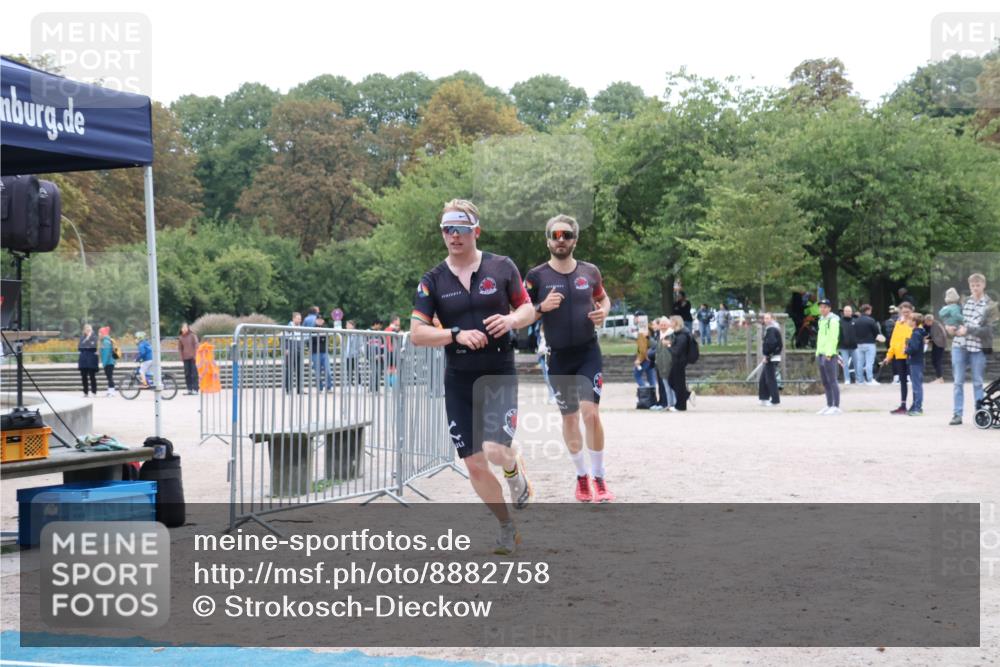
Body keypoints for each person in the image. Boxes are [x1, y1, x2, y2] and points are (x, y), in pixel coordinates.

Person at [410, 199, 536, 555]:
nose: (453, 236)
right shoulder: (432, 280)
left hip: (498, 372)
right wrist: (453, 334)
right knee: (474, 464)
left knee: (497, 451)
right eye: (447, 229)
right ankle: (505, 526)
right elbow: (417, 334)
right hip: (459, 378)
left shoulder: (502, 267)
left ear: (475, 232)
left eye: (460, 229)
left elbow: (528, 307)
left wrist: (512, 320)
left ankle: (514, 470)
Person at [525, 214, 614, 504]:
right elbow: (522, 313)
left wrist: (604, 312)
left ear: (575, 239)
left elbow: (603, 298)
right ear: (547, 239)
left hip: (588, 352)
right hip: (559, 356)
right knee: (570, 417)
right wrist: (541, 306)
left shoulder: (590, 272)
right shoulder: (536, 276)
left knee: (591, 414)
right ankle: (581, 478)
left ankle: (599, 477)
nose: (560, 240)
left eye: (566, 235)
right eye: (555, 235)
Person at [948, 273, 992, 426]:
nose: (975, 288)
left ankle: (980, 414)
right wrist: (951, 328)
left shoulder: (990, 306)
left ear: (983, 285)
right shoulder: (964, 302)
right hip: (959, 346)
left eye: (978, 285)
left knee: (978, 383)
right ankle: (957, 415)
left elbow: (988, 330)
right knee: (957, 382)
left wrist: (969, 330)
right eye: (972, 285)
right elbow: (957, 320)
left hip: (977, 348)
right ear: (969, 286)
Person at [881, 302, 914, 415]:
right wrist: (888, 356)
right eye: (903, 312)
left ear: (912, 311)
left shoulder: (915, 323)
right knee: (903, 382)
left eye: (907, 312)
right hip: (899, 356)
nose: (905, 314)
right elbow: (893, 342)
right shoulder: (898, 323)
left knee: (914, 381)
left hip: (911, 356)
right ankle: (903, 405)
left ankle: (916, 405)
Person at [815, 299, 841, 415]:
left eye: (825, 307)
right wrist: (818, 352)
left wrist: (829, 353)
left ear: (829, 308)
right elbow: (820, 338)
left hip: (829, 354)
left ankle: (836, 406)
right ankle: (829, 404)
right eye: (821, 307)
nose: (822, 309)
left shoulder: (833, 321)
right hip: (820, 353)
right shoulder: (821, 320)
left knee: (832, 380)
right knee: (825, 381)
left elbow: (833, 338)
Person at [668, 315, 694, 411]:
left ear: (676, 323)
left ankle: (680, 406)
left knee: (679, 384)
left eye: (671, 322)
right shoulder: (676, 334)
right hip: (675, 361)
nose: (670, 324)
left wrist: (668, 345)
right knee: (672, 382)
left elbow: (677, 351)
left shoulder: (683, 335)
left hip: (679, 362)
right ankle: (686, 395)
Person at [651, 317, 676, 411]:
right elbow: (657, 349)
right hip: (661, 363)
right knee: (666, 385)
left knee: (671, 385)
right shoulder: (659, 335)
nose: (662, 326)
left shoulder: (671, 334)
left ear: (668, 325)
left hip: (669, 363)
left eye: (664, 324)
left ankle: (674, 404)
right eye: (661, 324)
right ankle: (669, 404)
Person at [905, 312, 926, 416]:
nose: (908, 321)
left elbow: (913, 348)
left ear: (914, 322)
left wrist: (906, 349)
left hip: (915, 362)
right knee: (916, 385)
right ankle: (915, 406)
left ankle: (917, 408)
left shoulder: (915, 334)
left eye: (909, 319)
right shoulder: (919, 332)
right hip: (917, 362)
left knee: (917, 386)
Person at [759, 313, 783, 406]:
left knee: (770, 379)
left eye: (768, 318)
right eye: (765, 318)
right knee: (763, 379)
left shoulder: (772, 329)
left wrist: (767, 356)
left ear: (772, 319)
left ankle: (775, 400)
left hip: (772, 358)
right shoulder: (769, 329)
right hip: (770, 357)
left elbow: (773, 344)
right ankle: (764, 398)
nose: (766, 320)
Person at [855, 305, 880, 385]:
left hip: (859, 344)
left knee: (860, 363)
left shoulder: (856, 320)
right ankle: (870, 379)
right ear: (867, 310)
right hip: (870, 343)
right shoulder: (871, 320)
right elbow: (876, 332)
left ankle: (860, 380)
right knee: (869, 362)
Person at [838, 305, 861, 384]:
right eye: (846, 311)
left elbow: (859, 333)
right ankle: (847, 379)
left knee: (857, 363)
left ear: (851, 312)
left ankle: (858, 379)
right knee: (845, 364)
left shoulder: (855, 321)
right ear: (844, 312)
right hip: (844, 347)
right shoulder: (840, 321)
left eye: (849, 311)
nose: (847, 312)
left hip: (854, 346)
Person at [310, 315, 333, 391]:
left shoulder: (325, 329)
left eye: (321, 319)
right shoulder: (312, 329)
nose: (320, 321)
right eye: (318, 319)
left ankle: (329, 386)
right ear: (316, 320)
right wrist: (321, 338)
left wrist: (319, 338)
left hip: (324, 352)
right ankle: (320, 387)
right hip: (315, 353)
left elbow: (325, 339)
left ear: (323, 321)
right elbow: (312, 340)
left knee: (328, 371)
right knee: (317, 372)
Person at [283, 312, 304, 395]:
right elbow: (285, 338)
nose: (300, 320)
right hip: (291, 349)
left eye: (300, 318)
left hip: (298, 349)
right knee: (290, 370)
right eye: (298, 318)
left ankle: (299, 389)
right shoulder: (289, 327)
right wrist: (286, 348)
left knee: (299, 370)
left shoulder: (300, 327)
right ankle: (288, 389)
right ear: (293, 319)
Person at [924, 314, 947, 383]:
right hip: (937, 345)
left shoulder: (935, 325)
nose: (926, 324)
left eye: (927, 322)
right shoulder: (935, 324)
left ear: (930, 320)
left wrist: (929, 340)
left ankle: (939, 378)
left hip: (939, 345)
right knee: (935, 361)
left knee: (937, 361)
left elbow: (937, 336)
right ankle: (939, 377)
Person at [178, 322, 200, 395]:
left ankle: (195, 389)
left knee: (194, 373)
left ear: (188, 328)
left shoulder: (193, 335)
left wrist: (195, 355)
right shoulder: (180, 337)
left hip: (193, 357)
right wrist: (181, 357)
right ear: (181, 329)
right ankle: (189, 389)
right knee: (187, 374)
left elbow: (196, 345)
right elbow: (180, 348)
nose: (184, 329)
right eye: (183, 327)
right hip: (185, 358)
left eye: (185, 327)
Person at [77, 324, 99, 397]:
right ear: (84, 330)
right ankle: (85, 392)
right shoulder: (82, 337)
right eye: (86, 330)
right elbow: (80, 347)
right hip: (83, 360)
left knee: (92, 376)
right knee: (84, 377)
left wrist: (88, 341)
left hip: (91, 360)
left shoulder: (94, 337)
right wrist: (87, 342)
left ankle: (94, 391)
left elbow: (94, 347)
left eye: (89, 330)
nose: (88, 331)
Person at [633, 323, 655, 388]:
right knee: (651, 377)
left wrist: (639, 359)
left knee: (637, 375)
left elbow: (642, 347)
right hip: (651, 356)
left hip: (645, 357)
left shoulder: (642, 330)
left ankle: (645, 390)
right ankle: (652, 393)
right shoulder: (648, 329)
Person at [98, 325, 117, 397]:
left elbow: (106, 354)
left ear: (103, 334)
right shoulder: (107, 340)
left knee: (109, 377)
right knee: (109, 376)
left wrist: (104, 363)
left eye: (100, 333)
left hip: (108, 363)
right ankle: (110, 390)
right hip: (110, 362)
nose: (99, 335)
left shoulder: (105, 342)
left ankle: (112, 391)